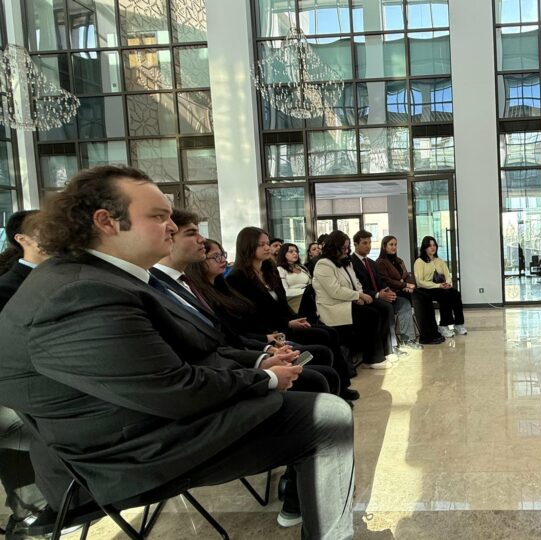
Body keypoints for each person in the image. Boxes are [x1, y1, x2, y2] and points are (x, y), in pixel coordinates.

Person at [0, 166, 354, 538]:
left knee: (318, 397)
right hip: (124, 454)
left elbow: (197, 352)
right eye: (158, 216)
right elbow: (173, 390)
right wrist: (264, 378)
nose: (171, 226)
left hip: (143, 421)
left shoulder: (105, 278)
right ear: (106, 222)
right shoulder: (79, 291)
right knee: (328, 418)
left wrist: (259, 366)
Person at [186, 239, 358, 401]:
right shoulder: (233, 280)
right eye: (262, 244)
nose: (268, 248)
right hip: (261, 338)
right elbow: (243, 327)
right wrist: (268, 342)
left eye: (223, 254)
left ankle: (340, 388)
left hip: (266, 335)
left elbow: (278, 306)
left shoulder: (261, 273)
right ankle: (332, 396)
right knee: (322, 356)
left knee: (327, 336)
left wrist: (285, 327)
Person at [0, 210, 49, 530]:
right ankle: (28, 507)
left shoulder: (63, 276)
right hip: (20, 386)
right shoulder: (7, 288)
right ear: (22, 239)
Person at [227, 227, 345, 354]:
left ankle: (342, 366)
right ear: (247, 247)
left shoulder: (270, 270)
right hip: (269, 331)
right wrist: (288, 323)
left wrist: (295, 319)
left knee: (330, 332)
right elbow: (254, 315)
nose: (267, 248)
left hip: (285, 323)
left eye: (267, 243)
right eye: (261, 244)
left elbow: (282, 303)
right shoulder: (237, 278)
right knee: (323, 337)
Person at [313, 231, 396, 369]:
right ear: (334, 247)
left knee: (380, 309)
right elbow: (335, 290)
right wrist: (358, 296)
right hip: (333, 307)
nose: (346, 250)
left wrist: (360, 295)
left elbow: (356, 283)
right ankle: (373, 358)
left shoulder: (345, 262)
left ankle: (381, 352)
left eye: (347, 247)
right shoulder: (324, 264)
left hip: (347, 302)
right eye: (343, 248)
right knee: (371, 315)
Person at [351, 230, 418, 352]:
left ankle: (407, 339)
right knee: (387, 307)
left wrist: (386, 290)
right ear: (355, 244)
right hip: (367, 298)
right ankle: (392, 346)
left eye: (370, 243)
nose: (368, 246)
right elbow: (357, 287)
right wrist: (378, 294)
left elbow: (381, 281)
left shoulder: (371, 263)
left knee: (403, 303)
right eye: (364, 243)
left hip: (381, 295)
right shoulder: (352, 263)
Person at [376, 235, 443, 346]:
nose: (394, 247)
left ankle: (433, 332)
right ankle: (425, 337)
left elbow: (407, 276)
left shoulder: (399, 261)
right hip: (394, 292)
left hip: (405, 290)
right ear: (384, 246)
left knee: (426, 297)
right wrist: (404, 285)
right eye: (391, 245)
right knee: (419, 300)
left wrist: (410, 285)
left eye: (395, 244)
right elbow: (387, 281)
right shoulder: (380, 262)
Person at [413, 236, 466, 337]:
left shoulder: (439, 261)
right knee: (444, 295)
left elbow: (447, 275)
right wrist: (438, 285)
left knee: (455, 293)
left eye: (434, 245)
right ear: (425, 248)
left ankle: (459, 324)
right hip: (426, 288)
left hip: (441, 287)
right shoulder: (419, 262)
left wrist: (448, 284)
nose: (433, 248)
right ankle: (443, 325)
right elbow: (419, 282)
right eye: (430, 246)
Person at [0, 211, 46, 311]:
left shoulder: (68, 271)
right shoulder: (5, 289)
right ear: (22, 239)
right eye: (45, 230)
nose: (57, 234)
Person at [277, 243, 311, 313]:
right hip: (293, 302)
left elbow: (310, 284)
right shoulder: (280, 269)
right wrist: (305, 291)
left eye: (296, 251)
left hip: (308, 299)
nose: (295, 253)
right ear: (283, 254)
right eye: (291, 251)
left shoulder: (302, 267)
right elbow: (285, 291)